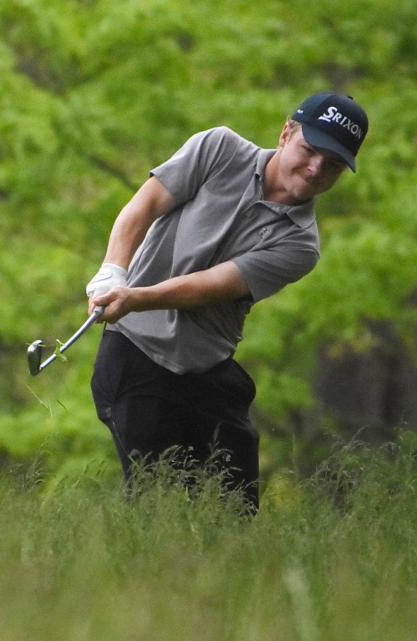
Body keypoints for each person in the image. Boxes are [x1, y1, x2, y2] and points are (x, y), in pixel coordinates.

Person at [86, 92, 368, 513]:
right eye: (309, 151)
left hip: (207, 373)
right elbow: (143, 206)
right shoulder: (218, 149)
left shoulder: (300, 245)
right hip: (134, 356)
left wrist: (134, 296)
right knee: (155, 501)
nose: (315, 170)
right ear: (286, 132)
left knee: (235, 513)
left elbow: (208, 286)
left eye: (332, 166)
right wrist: (112, 270)